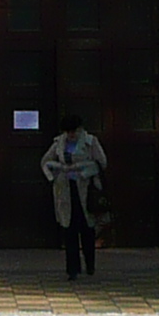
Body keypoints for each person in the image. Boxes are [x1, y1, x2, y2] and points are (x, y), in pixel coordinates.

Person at [41, 114, 109, 281]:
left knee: (87, 229)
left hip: (85, 189)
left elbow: (101, 163)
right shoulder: (59, 142)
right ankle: (72, 270)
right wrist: (54, 174)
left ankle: (90, 264)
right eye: (68, 132)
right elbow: (45, 161)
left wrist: (84, 171)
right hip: (66, 190)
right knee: (69, 230)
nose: (71, 135)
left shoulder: (90, 142)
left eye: (74, 131)